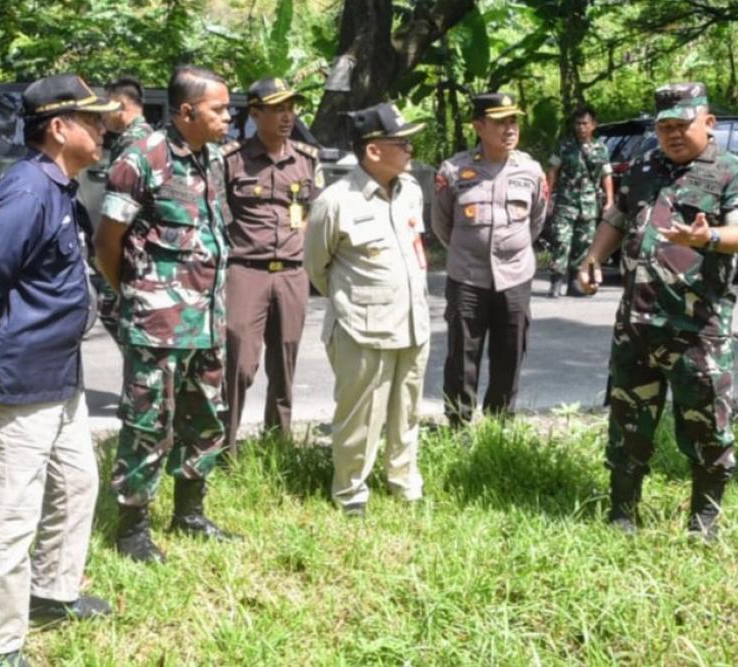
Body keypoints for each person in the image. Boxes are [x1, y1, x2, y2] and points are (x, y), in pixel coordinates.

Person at [0, 74, 118, 667]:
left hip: (59, 376)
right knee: (8, 515)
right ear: (59, 128)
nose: (103, 128)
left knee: (77, 484)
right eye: (92, 120)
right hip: (18, 382)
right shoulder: (28, 191)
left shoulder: (59, 187)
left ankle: (50, 593)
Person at [579, 82, 738, 540]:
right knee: (628, 423)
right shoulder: (645, 166)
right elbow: (618, 216)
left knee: (706, 426)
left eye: (683, 125)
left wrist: (708, 237)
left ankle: (704, 522)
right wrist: (594, 257)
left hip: (697, 329)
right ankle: (622, 513)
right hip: (637, 324)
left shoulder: (732, 171)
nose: (674, 135)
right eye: (665, 128)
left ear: (709, 122)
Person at [95, 65, 237, 564]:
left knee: (206, 420)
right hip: (157, 326)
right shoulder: (142, 158)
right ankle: (132, 529)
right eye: (219, 109)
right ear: (187, 112)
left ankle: (190, 514)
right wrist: (138, 295)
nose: (228, 117)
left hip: (207, 321)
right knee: (148, 424)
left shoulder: (213, 158)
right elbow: (106, 244)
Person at [303, 102, 429, 516]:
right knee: (360, 415)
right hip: (362, 327)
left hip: (413, 323)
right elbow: (316, 267)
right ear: (373, 150)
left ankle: (404, 483)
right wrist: (355, 301)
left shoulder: (411, 191)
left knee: (407, 410)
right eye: (401, 143)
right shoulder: (336, 201)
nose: (410, 149)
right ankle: (351, 492)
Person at [432, 92, 548, 428]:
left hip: (514, 276)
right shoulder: (454, 171)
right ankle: (458, 425)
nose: (510, 129)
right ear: (478, 126)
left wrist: (511, 249)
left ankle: (499, 424)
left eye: (513, 121)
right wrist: (470, 251)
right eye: (500, 122)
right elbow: (442, 225)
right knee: (462, 355)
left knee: (510, 353)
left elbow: (536, 221)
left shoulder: (531, 171)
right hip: (467, 277)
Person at [221, 78, 322, 455]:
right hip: (246, 270)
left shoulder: (307, 159)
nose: (287, 116)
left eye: (290, 108)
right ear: (255, 113)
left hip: (293, 272)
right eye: (278, 109)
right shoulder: (232, 160)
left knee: (285, 363)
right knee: (240, 364)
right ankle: (225, 449)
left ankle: (278, 447)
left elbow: (311, 213)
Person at [94, 76, 154, 343]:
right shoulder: (147, 137)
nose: (103, 116)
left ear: (120, 106)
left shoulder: (133, 142)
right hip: (136, 241)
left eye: (107, 107)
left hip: (131, 241)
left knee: (112, 308)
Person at [545, 105, 613, 297]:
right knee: (561, 240)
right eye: (577, 124)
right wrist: (547, 197)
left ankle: (574, 282)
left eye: (585, 123)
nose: (581, 127)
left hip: (589, 204)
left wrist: (609, 200)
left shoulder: (601, 148)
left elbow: (606, 175)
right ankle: (556, 281)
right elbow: (552, 171)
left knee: (583, 243)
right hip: (566, 201)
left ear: (593, 125)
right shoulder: (564, 146)